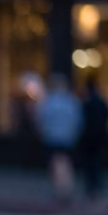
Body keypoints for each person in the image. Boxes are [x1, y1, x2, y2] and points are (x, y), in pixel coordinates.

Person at [37, 73, 82, 204]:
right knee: (65, 163)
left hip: (53, 137)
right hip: (68, 137)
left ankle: (61, 189)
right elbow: (78, 120)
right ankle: (66, 188)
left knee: (57, 163)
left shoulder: (49, 102)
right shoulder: (71, 101)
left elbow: (41, 119)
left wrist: (44, 132)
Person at [79, 80, 108, 206]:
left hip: (89, 137)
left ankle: (93, 186)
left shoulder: (87, 104)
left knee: (91, 163)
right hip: (99, 137)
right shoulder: (102, 103)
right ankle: (97, 186)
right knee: (96, 161)